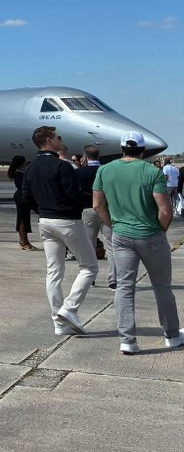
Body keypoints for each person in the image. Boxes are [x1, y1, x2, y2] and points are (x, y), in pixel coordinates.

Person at [93, 132, 182, 355]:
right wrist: (160, 230)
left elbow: (97, 205)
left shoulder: (104, 170)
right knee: (162, 287)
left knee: (124, 287)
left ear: (122, 148)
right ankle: (171, 335)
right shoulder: (152, 172)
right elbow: (164, 209)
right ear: (142, 151)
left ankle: (127, 340)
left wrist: (113, 225)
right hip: (150, 235)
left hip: (122, 235)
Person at [23, 126, 97, 336]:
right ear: (49, 140)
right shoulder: (61, 166)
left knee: (54, 271)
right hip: (66, 221)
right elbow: (73, 195)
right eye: (57, 137)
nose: (61, 139)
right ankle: (69, 308)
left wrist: (42, 210)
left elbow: (26, 196)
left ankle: (59, 322)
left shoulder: (30, 168)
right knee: (90, 266)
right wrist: (94, 200)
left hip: (45, 221)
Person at [76, 145, 115, 290]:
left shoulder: (80, 172)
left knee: (89, 246)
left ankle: (90, 278)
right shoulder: (107, 171)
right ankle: (113, 280)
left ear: (84, 157)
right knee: (111, 246)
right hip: (106, 210)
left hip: (88, 210)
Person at [8, 156, 35, 251]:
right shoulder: (20, 173)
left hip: (21, 196)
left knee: (23, 218)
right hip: (22, 196)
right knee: (23, 219)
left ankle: (24, 240)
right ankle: (23, 241)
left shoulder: (18, 172)